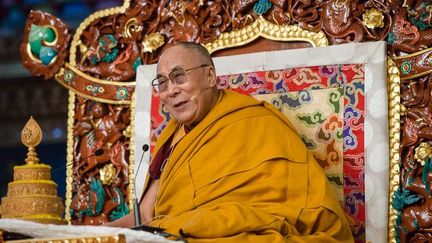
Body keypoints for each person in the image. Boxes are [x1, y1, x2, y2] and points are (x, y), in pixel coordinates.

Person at [105, 42, 354, 242]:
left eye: (179, 78)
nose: (170, 90)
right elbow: (147, 214)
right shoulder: (173, 135)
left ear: (210, 76)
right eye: (162, 83)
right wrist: (98, 234)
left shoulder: (257, 122)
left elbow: (293, 212)